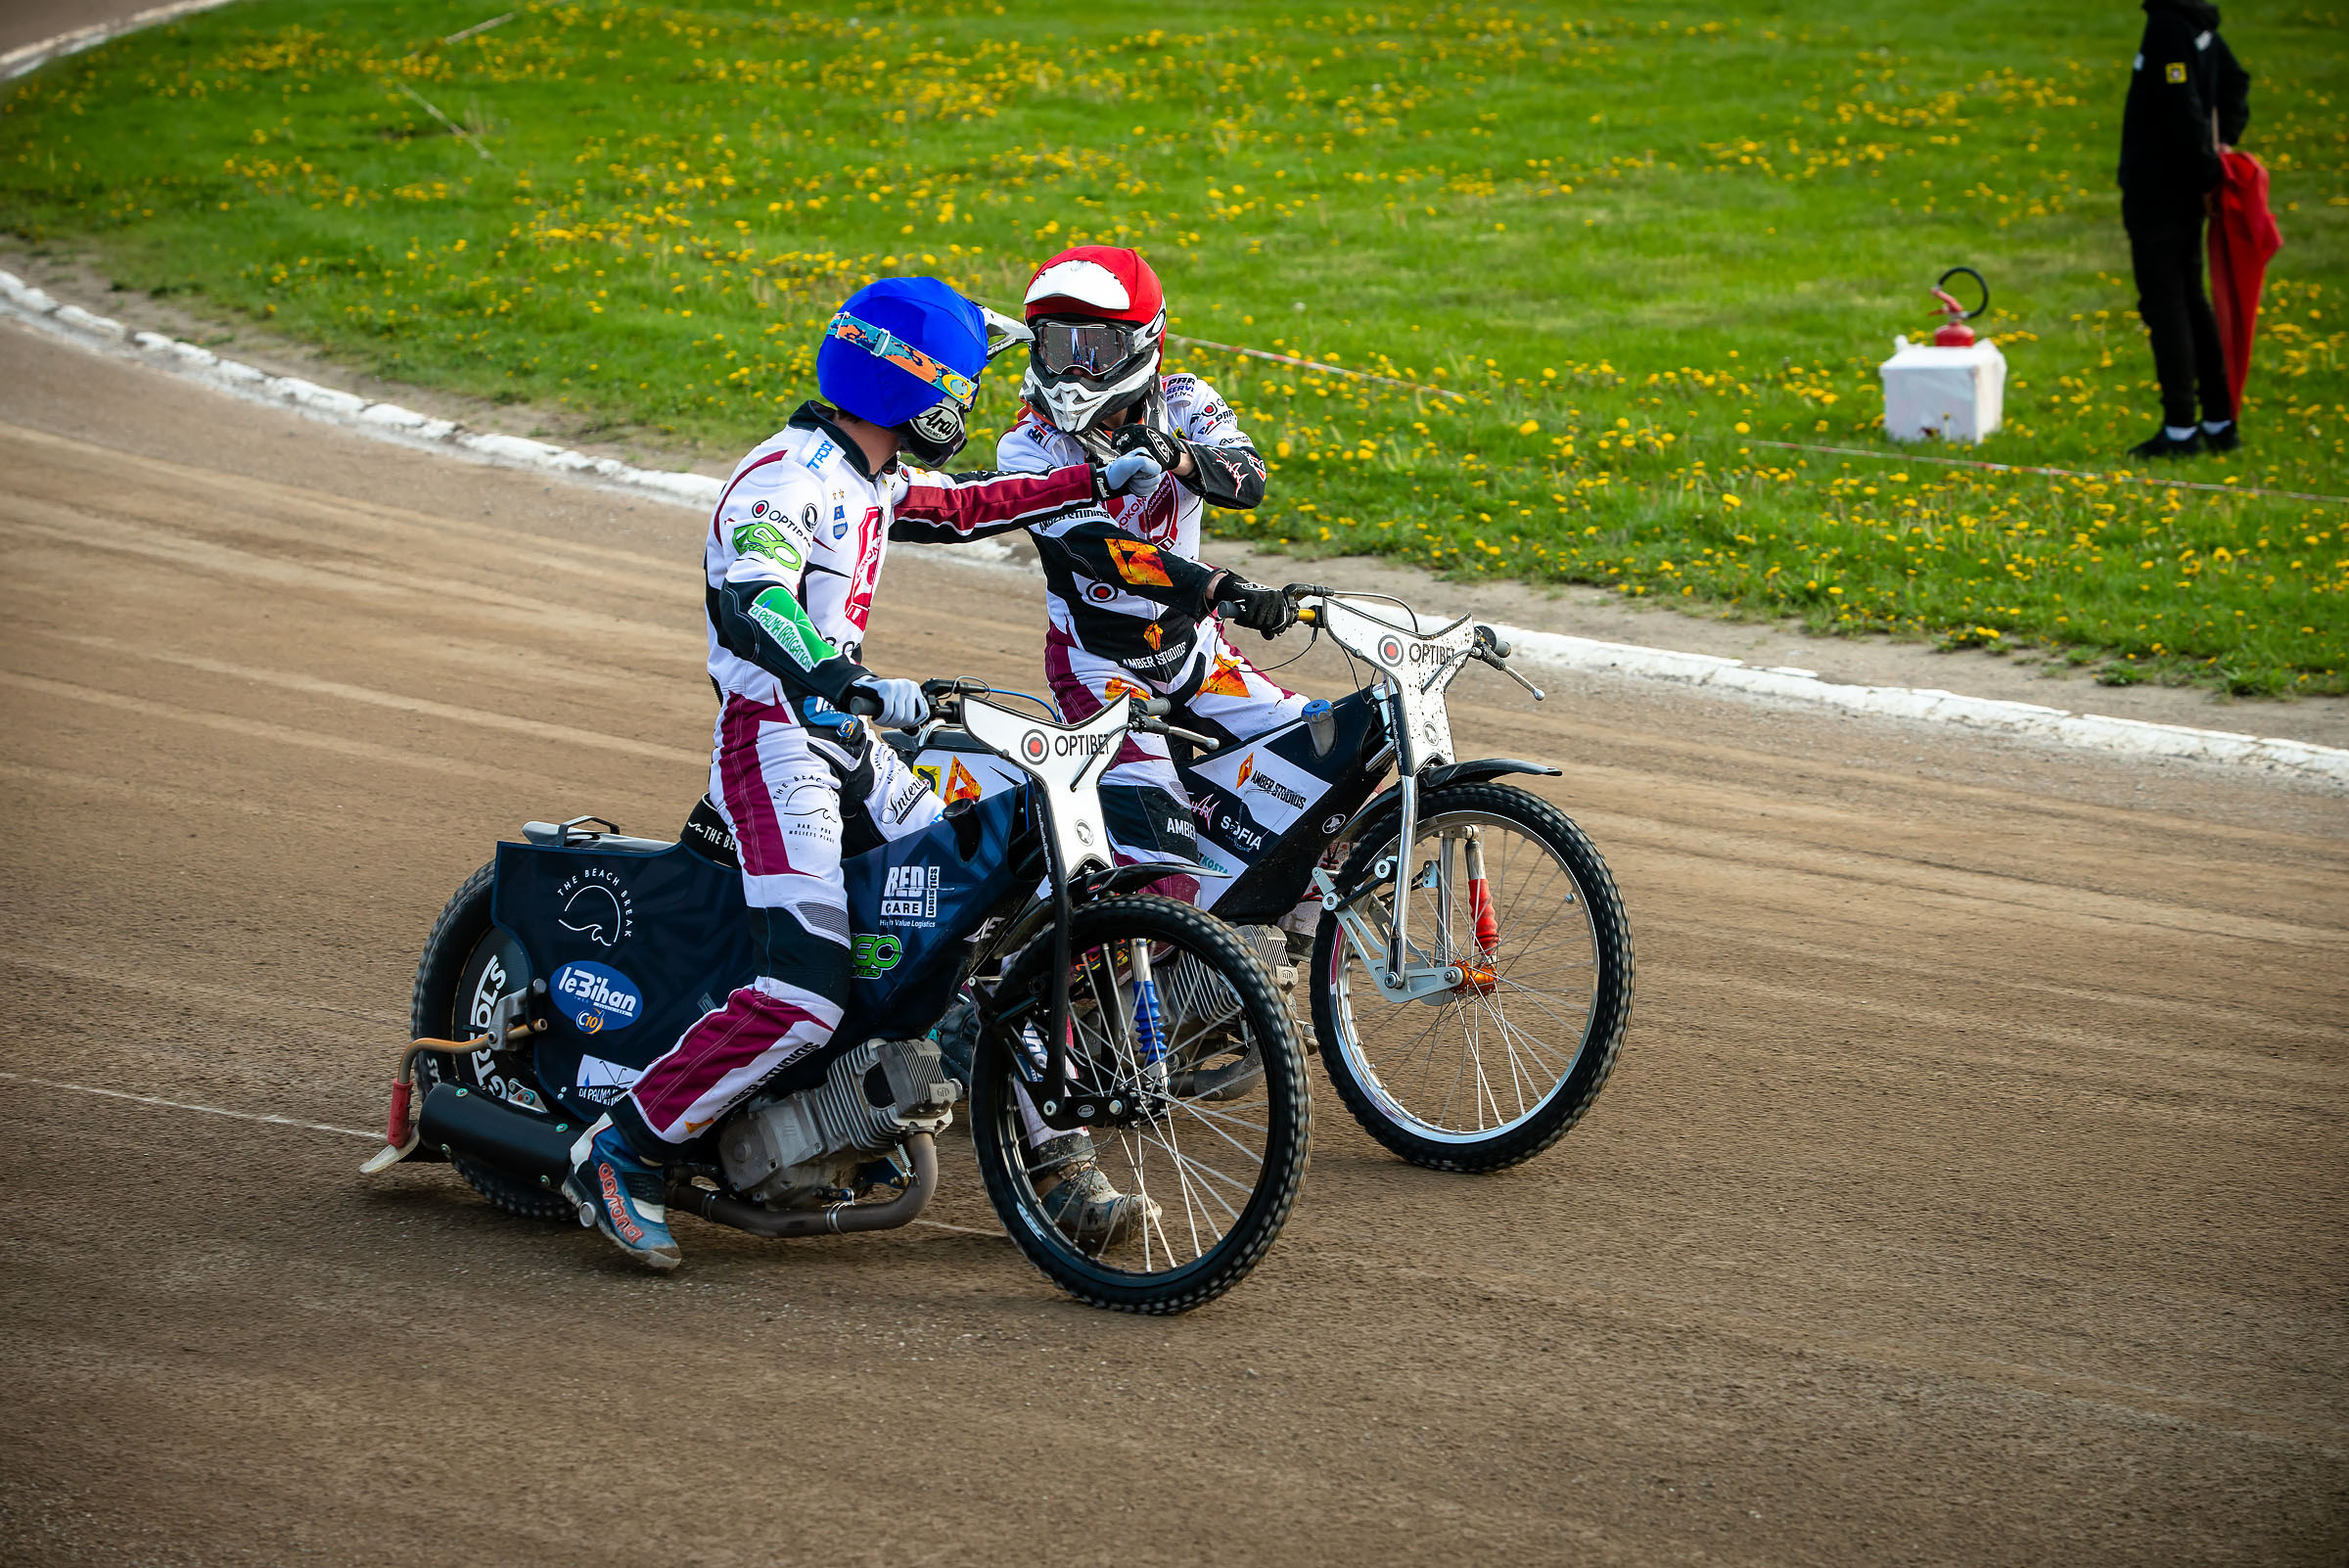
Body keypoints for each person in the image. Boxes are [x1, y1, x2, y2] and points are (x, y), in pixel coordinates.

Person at [564, 276, 1163, 1270]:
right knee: (803, 995)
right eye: (962, 387)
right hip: (775, 741)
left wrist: (1093, 484)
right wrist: (845, 676)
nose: (967, 409)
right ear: (913, 387)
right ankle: (622, 1148)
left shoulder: (864, 475)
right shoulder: (786, 479)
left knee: (974, 933)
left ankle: (1053, 1163)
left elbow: (970, 506)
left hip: (848, 746)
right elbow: (757, 596)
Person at [996, 245, 1304, 905]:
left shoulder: (1188, 400)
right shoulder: (1025, 446)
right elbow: (1098, 551)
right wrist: (1215, 587)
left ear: (1144, 343)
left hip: (1198, 652)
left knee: (1319, 777)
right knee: (1165, 875)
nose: (1076, 369)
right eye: (1058, 346)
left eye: (1097, 349)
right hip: (1097, 668)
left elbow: (1250, 481)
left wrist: (1180, 457)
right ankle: (1068, 969)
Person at [2119, 0, 2251, 460]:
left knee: (2166, 306)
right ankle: (2218, 421)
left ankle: (2180, 429)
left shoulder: (2169, 27)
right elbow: (2235, 81)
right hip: (2181, 192)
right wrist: (2220, 149)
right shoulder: (2196, 23)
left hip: (2160, 192)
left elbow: (2182, 107)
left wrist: (2206, 169)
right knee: (2191, 302)